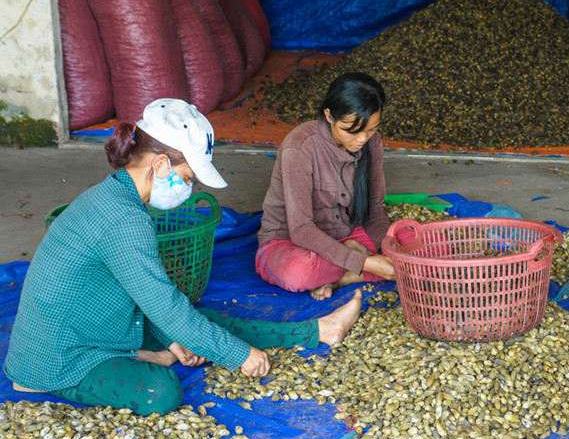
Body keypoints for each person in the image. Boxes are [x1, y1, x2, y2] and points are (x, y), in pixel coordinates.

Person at [3, 99, 361, 416]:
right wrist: (238, 356)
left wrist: (174, 339)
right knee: (161, 392)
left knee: (198, 321)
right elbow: (166, 308)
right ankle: (144, 358)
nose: (188, 188)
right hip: (60, 359)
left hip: (95, 324)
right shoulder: (125, 220)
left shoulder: (115, 196)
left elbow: (147, 297)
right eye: (187, 177)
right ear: (160, 164)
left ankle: (320, 330)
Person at [257, 72, 403, 301]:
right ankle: (364, 270)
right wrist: (366, 261)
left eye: (371, 129)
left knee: (420, 246)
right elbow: (301, 230)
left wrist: (391, 250)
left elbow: (374, 210)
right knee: (298, 271)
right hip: (292, 243)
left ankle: (344, 278)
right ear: (329, 115)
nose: (362, 139)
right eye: (351, 131)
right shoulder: (300, 147)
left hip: (349, 235)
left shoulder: (372, 142)